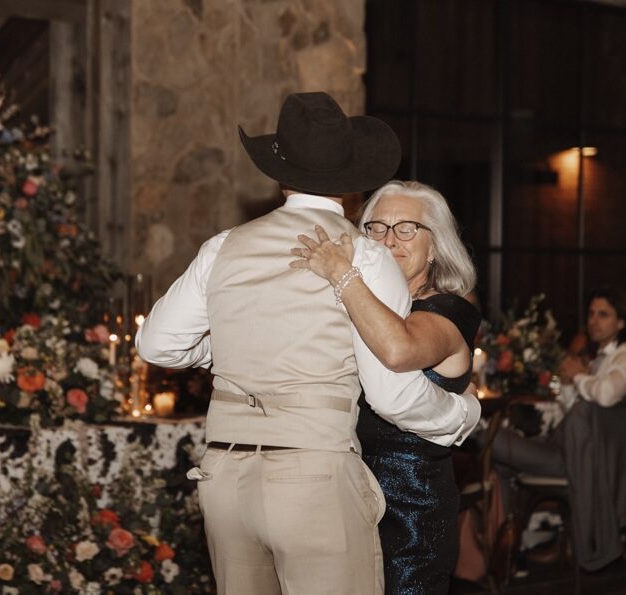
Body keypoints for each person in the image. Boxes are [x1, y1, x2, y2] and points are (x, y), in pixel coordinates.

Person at [137, 92, 479, 594]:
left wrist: (226, 349)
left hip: (223, 478)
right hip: (311, 477)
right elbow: (392, 395)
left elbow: (157, 346)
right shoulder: (364, 255)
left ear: (281, 175)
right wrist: (462, 417)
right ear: (350, 181)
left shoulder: (223, 246)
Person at [290, 180, 482, 594]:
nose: (388, 240)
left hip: (412, 510)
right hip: (341, 495)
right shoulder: (356, 303)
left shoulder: (451, 310)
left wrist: (343, 273)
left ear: (435, 247)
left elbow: (399, 348)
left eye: (406, 228)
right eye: (376, 228)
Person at [487, 288, 626, 571]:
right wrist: (569, 383)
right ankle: (507, 548)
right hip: (576, 452)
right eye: (592, 314)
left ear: (621, 322)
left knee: (488, 438)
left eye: (603, 315)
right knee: (501, 461)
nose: (593, 321)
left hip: (586, 461)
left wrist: (580, 375)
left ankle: (505, 551)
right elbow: (579, 411)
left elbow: (607, 394)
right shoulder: (599, 359)